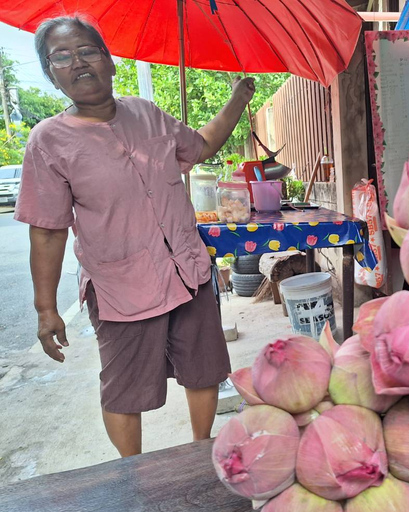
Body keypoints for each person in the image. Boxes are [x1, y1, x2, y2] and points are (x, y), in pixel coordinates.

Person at [14, 16, 255, 457]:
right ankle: (133, 474)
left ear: (109, 61)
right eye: (61, 57)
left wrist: (238, 99)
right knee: (125, 390)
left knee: (204, 368)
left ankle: (200, 453)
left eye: (87, 51)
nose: (77, 63)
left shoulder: (146, 113)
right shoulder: (48, 141)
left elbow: (201, 146)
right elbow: (47, 230)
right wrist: (46, 309)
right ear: (51, 74)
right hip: (121, 287)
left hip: (187, 271)